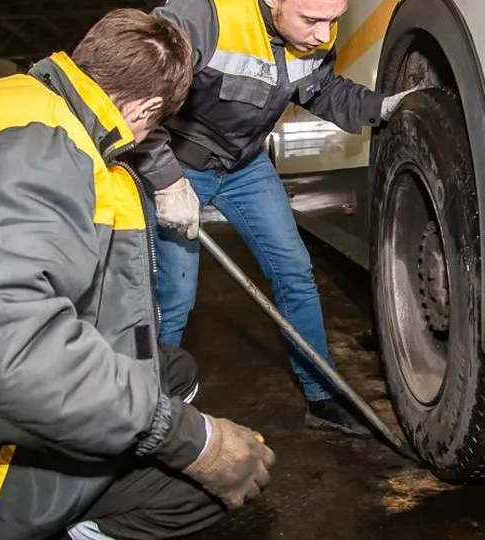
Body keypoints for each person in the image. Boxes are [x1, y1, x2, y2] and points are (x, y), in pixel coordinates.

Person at [0, 9, 274, 540]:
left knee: (170, 370)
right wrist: (186, 439)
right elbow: (5, 355)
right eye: (155, 126)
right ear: (148, 108)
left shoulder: (6, 101)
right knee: (198, 487)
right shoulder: (45, 151)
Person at [138, 0, 423, 438]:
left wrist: (380, 107)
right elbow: (141, 100)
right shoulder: (203, 17)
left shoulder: (310, 39)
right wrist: (165, 181)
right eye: (311, 20)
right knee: (175, 294)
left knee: (294, 274)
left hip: (246, 167)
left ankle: (322, 397)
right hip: (182, 165)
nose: (323, 36)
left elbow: (323, 90)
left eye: (334, 21)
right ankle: (154, 416)